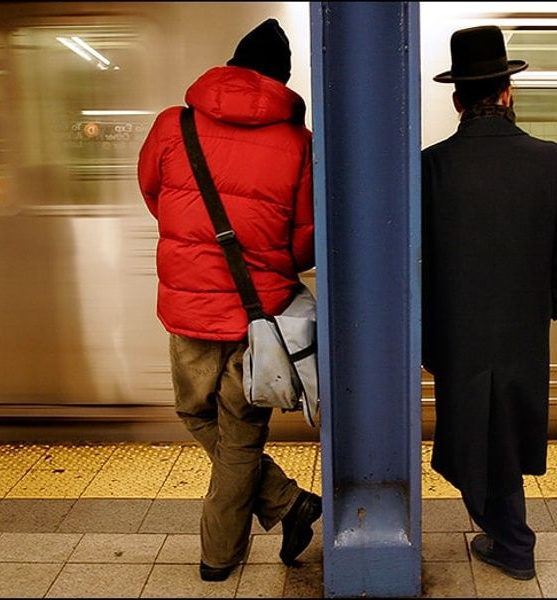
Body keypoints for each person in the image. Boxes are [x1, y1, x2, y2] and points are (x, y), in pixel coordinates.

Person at [137, 18, 321, 582]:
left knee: (195, 416)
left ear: (232, 65)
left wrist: (197, 252)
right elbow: (305, 239)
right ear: (282, 81)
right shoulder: (298, 142)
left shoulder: (175, 125)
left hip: (188, 309)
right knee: (240, 433)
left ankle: (230, 550)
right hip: (259, 317)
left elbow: (154, 193)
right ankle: (286, 505)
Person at [421, 25, 557, 581]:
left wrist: (430, 332)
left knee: (465, 433)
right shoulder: (551, 159)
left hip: (456, 333)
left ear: (458, 99)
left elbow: (420, 262)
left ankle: (512, 541)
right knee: (507, 435)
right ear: (507, 93)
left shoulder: (431, 166)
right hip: (520, 331)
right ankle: (506, 536)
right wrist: (541, 309)